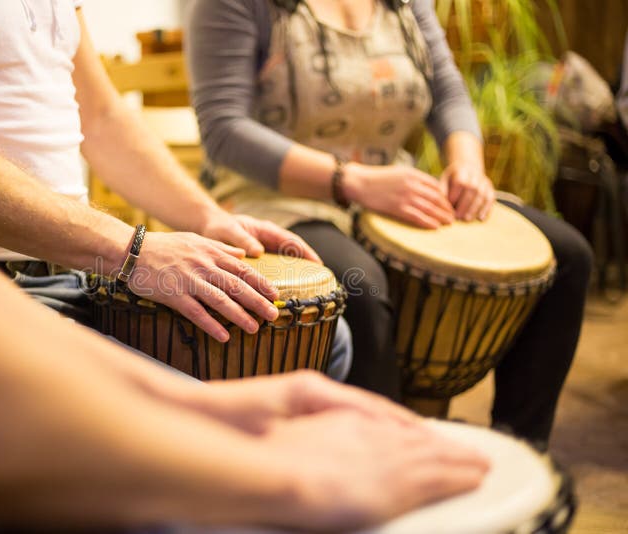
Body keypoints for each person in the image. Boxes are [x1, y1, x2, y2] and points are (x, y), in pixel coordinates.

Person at [0, 131, 489, 531]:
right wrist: (279, 475)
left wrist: (204, 220)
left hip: (70, 268)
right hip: (10, 278)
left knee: (328, 341)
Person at [0, 0, 355, 379]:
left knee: (328, 343)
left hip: (80, 271)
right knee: (215, 406)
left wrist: (206, 217)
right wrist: (135, 250)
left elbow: (102, 120)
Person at [185, 0, 593, 443]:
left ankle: (520, 452)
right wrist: (352, 181)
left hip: (392, 188)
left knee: (567, 255)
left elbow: (449, 93)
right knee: (362, 288)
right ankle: (389, 462)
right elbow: (224, 129)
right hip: (274, 198)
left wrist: (467, 163)